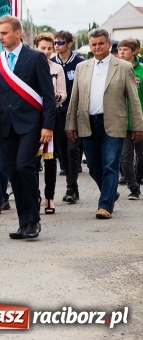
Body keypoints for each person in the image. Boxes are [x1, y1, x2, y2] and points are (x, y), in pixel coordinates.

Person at [0, 17, 55, 240]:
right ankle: (24, 223)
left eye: (4, 33)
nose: (0, 37)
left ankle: (34, 220)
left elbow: (48, 95)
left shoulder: (35, 58)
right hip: (7, 127)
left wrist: (48, 125)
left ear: (18, 33)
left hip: (31, 125)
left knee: (23, 168)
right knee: (14, 173)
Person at [65, 29, 143, 219]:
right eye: (94, 44)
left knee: (110, 164)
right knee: (93, 165)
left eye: (101, 43)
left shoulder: (123, 67)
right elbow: (74, 98)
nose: (97, 47)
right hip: (88, 122)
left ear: (109, 45)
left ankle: (105, 205)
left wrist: (138, 126)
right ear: (90, 46)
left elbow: (133, 100)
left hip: (114, 123)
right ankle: (110, 192)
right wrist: (70, 124)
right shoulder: (82, 67)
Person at [32, 32, 67, 214]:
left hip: (52, 116)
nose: (46, 51)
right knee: (33, 160)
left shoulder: (57, 69)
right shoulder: (29, 66)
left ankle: (49, 197)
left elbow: (63, 93)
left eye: (48, 48)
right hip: (32, 118)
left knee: (51, 159)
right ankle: (35, 195)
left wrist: (55, 98)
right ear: (35, 47)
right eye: (42, 48)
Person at [51, 30, 85, 203]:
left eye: (60, 43)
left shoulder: (80, 63)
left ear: (70, 44)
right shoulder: (50, 63)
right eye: (55, 43)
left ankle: (72, 188)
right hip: (56, 112)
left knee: (73, 149)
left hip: (74, 112)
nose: (57, 46)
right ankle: (69, 177)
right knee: (61, 150)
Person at [117, 38, 143, 200]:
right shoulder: (116, 69)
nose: (121, 53)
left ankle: (138, 178)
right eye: (119, 50)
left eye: (125, 49)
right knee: (125, 157)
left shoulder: (141, 70)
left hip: (139, 120)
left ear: (134, 51)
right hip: (122, 121)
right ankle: (134, 187)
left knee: (141, 155)